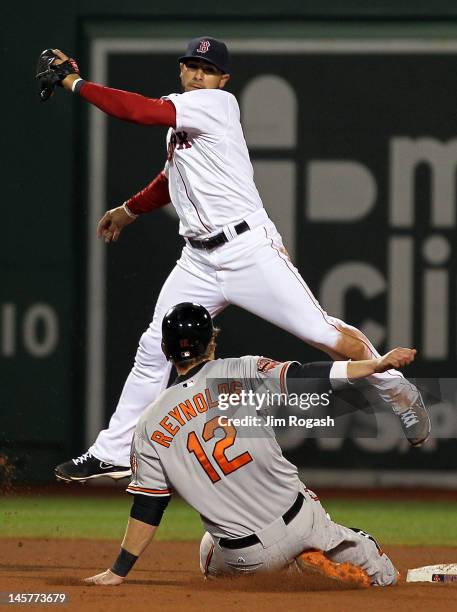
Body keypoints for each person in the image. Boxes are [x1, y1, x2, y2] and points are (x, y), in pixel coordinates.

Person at [51, 36, 430, 483]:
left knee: (321, 332)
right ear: (181, 69)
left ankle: (395, 389)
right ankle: (113, 450)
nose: (197, 74)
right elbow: (170, 178)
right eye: (191, 65)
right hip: (198, 259)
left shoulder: (216, 104)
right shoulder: (185, 124)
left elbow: (137, 111)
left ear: (222, 79)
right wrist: (129, 210)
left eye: (207, 69)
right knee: (154, 347)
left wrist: (74, 83)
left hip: (246, 249)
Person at [83, 302, 413, 586]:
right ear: (210, 343)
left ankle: (283, 577)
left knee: (208, 549)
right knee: (379, 569)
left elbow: (149, 506)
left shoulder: (148, 424)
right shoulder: (240, 369)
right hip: (302, 523)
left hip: (245, 556)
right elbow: (306, 375)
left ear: (166, 351)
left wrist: (118, 571)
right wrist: (374, 364)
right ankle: (350, 564)